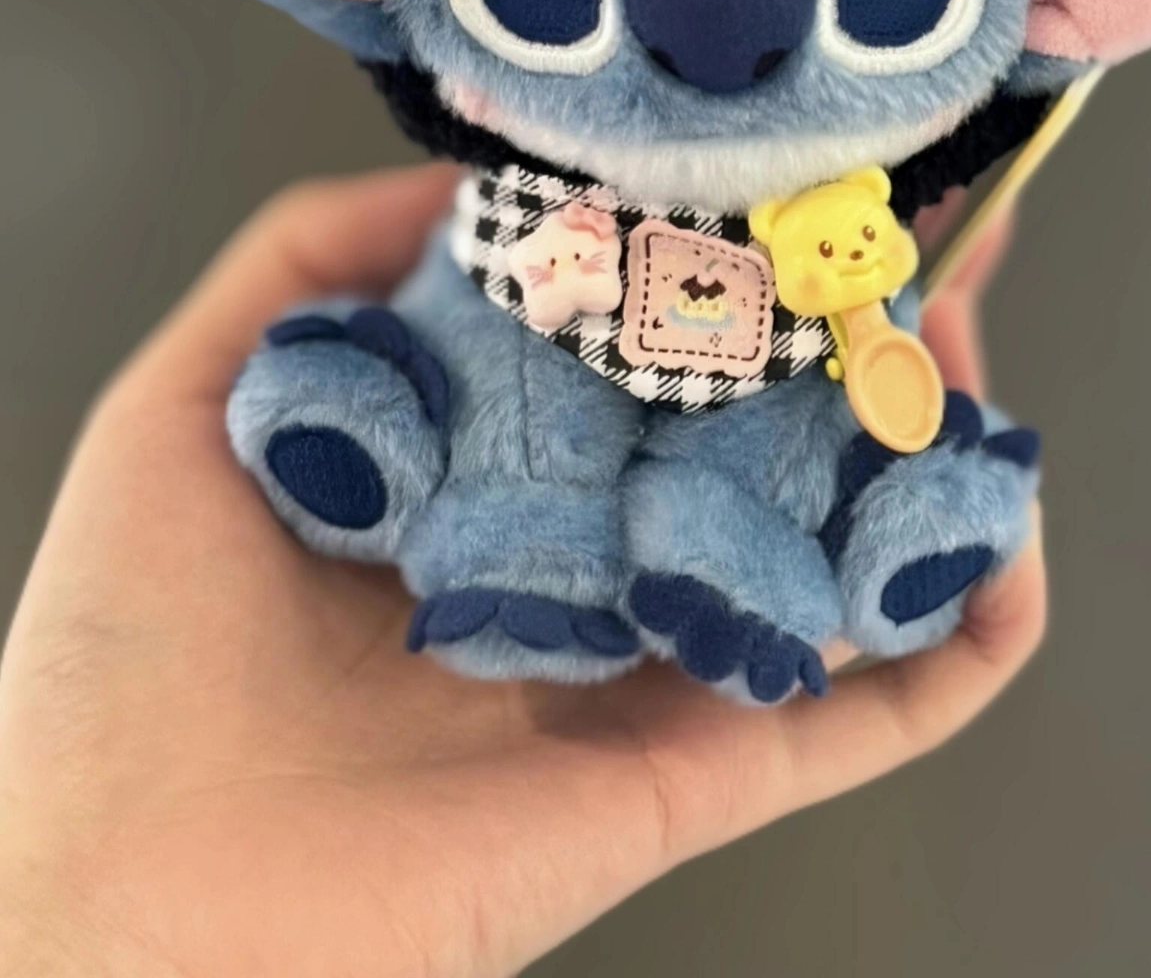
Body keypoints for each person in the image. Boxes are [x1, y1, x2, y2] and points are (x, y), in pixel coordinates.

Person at [0, 164, 1045, 976]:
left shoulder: (857, 233)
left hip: (812, 302)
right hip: (536, 261)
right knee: (505, 357)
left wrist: (102, 929)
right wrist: (95, 920)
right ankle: (457, 475)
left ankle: (784, 538)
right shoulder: (518, 198)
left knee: (820, 417)